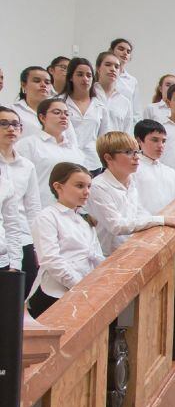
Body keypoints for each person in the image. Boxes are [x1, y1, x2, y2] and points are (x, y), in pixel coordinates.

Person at [86, 132, 175, 255]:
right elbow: (116, 226)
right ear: (108, 158)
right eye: (128, 152)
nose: (137, 157)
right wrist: (160, 220)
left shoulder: (130, 179)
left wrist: (159, 225)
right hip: (108, 255)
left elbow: (138, 211)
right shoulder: (98, 186)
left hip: (132, 247)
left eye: (137, 151)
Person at [27, 162, 105, 318]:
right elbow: (50, 259)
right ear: (58, 187)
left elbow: (95, 255)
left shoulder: (84, 219)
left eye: (89, 186)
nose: (86, 192)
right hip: (53, 295)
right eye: (79, 186)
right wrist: (79, 286)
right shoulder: (47, 217)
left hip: (82, 294)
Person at [0, 105, 42, 294]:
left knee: (16, 300)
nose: (11, 128)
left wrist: (38, 244)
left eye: (15, 124)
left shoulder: (27, 166)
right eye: (4, 124)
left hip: (20, 237)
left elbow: (33, 208)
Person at [15, 98, 83, 206]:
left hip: (71, 213)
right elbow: (18, 183)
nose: (63, 116)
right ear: (42, 117)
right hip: (40, 209)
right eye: (57, 112)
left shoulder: (75, 151)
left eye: (66, 113)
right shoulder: (28, 145)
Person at [60, 57, 111, 172]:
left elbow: (104, 138)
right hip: (66, 161)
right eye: (80, 74)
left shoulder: (100, 106)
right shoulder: (59, 103)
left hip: (93, 162)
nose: (85, 79)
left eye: (89, 75)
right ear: (71, 77)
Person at [132, 119, 175, 215]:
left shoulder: (170, 172)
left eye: (163, 141)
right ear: (139, 140)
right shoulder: (131, 170)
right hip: (144, 226)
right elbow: (132, 205)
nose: (161, 145)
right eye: (155, 140)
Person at [13, 66, 57, 142]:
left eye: (47, 82)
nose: (43, 85)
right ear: (23, 85)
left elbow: (71, 143)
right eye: (37, 81)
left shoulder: (60, 111)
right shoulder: (13, 111)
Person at [94, 51, 134, 134]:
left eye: (116, 67)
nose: (113, 69)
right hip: (91, 146)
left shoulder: (125, 102)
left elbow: (127, 133)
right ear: (98, 68)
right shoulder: (89, 95)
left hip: (116, 146)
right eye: (108, 65)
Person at [110, 38, 139, 115]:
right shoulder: (102, 75)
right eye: (121, 49)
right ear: (112, 51)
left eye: (128, 52)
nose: (125, 53)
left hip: (124, 122)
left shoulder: (132, 81)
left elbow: (136, 110)